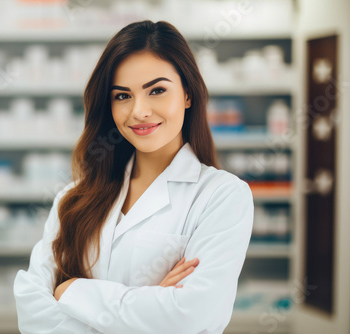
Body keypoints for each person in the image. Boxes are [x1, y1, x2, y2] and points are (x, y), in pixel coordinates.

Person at [13, 20, 254, 334]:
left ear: (187, 95)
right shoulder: (73, 200)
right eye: (122, 96)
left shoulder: (222, 196)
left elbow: (192, 317)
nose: (139, 111)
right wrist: (152, 301)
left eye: (157, 90)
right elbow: (31, 312)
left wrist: (71, 291)